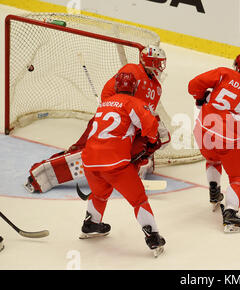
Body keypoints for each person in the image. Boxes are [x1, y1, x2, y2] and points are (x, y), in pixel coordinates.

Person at [24, 45, 169, 193]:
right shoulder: (131, 70)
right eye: (159, 63)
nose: (161, 67)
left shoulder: (157, 87)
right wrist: (120, 113)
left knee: (162, 136)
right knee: (82, 151)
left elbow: (146, 113)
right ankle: (40, 175)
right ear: (149, 62)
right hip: (111, 121)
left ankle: (135, 165)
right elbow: (108, 93)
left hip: (129, 127)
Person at [79, 71, 166, 256]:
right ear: (134, 88)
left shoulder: (103, 105)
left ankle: (91, 223)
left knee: (100, 193)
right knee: (139, 199)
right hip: (115, 163)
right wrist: (150, 142)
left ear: (117, 87)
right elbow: (150, 127)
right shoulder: (133, 102)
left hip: (89, 162)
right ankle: (153, 237)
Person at [188, 52, 240, 233]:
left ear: (236, 64)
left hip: (202, 129)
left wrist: (201, 98)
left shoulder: (224, 73)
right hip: (226, 138)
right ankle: (230, 214)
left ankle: (215, 192)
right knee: (238, 177)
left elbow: (193, 85)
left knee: (213, 158)